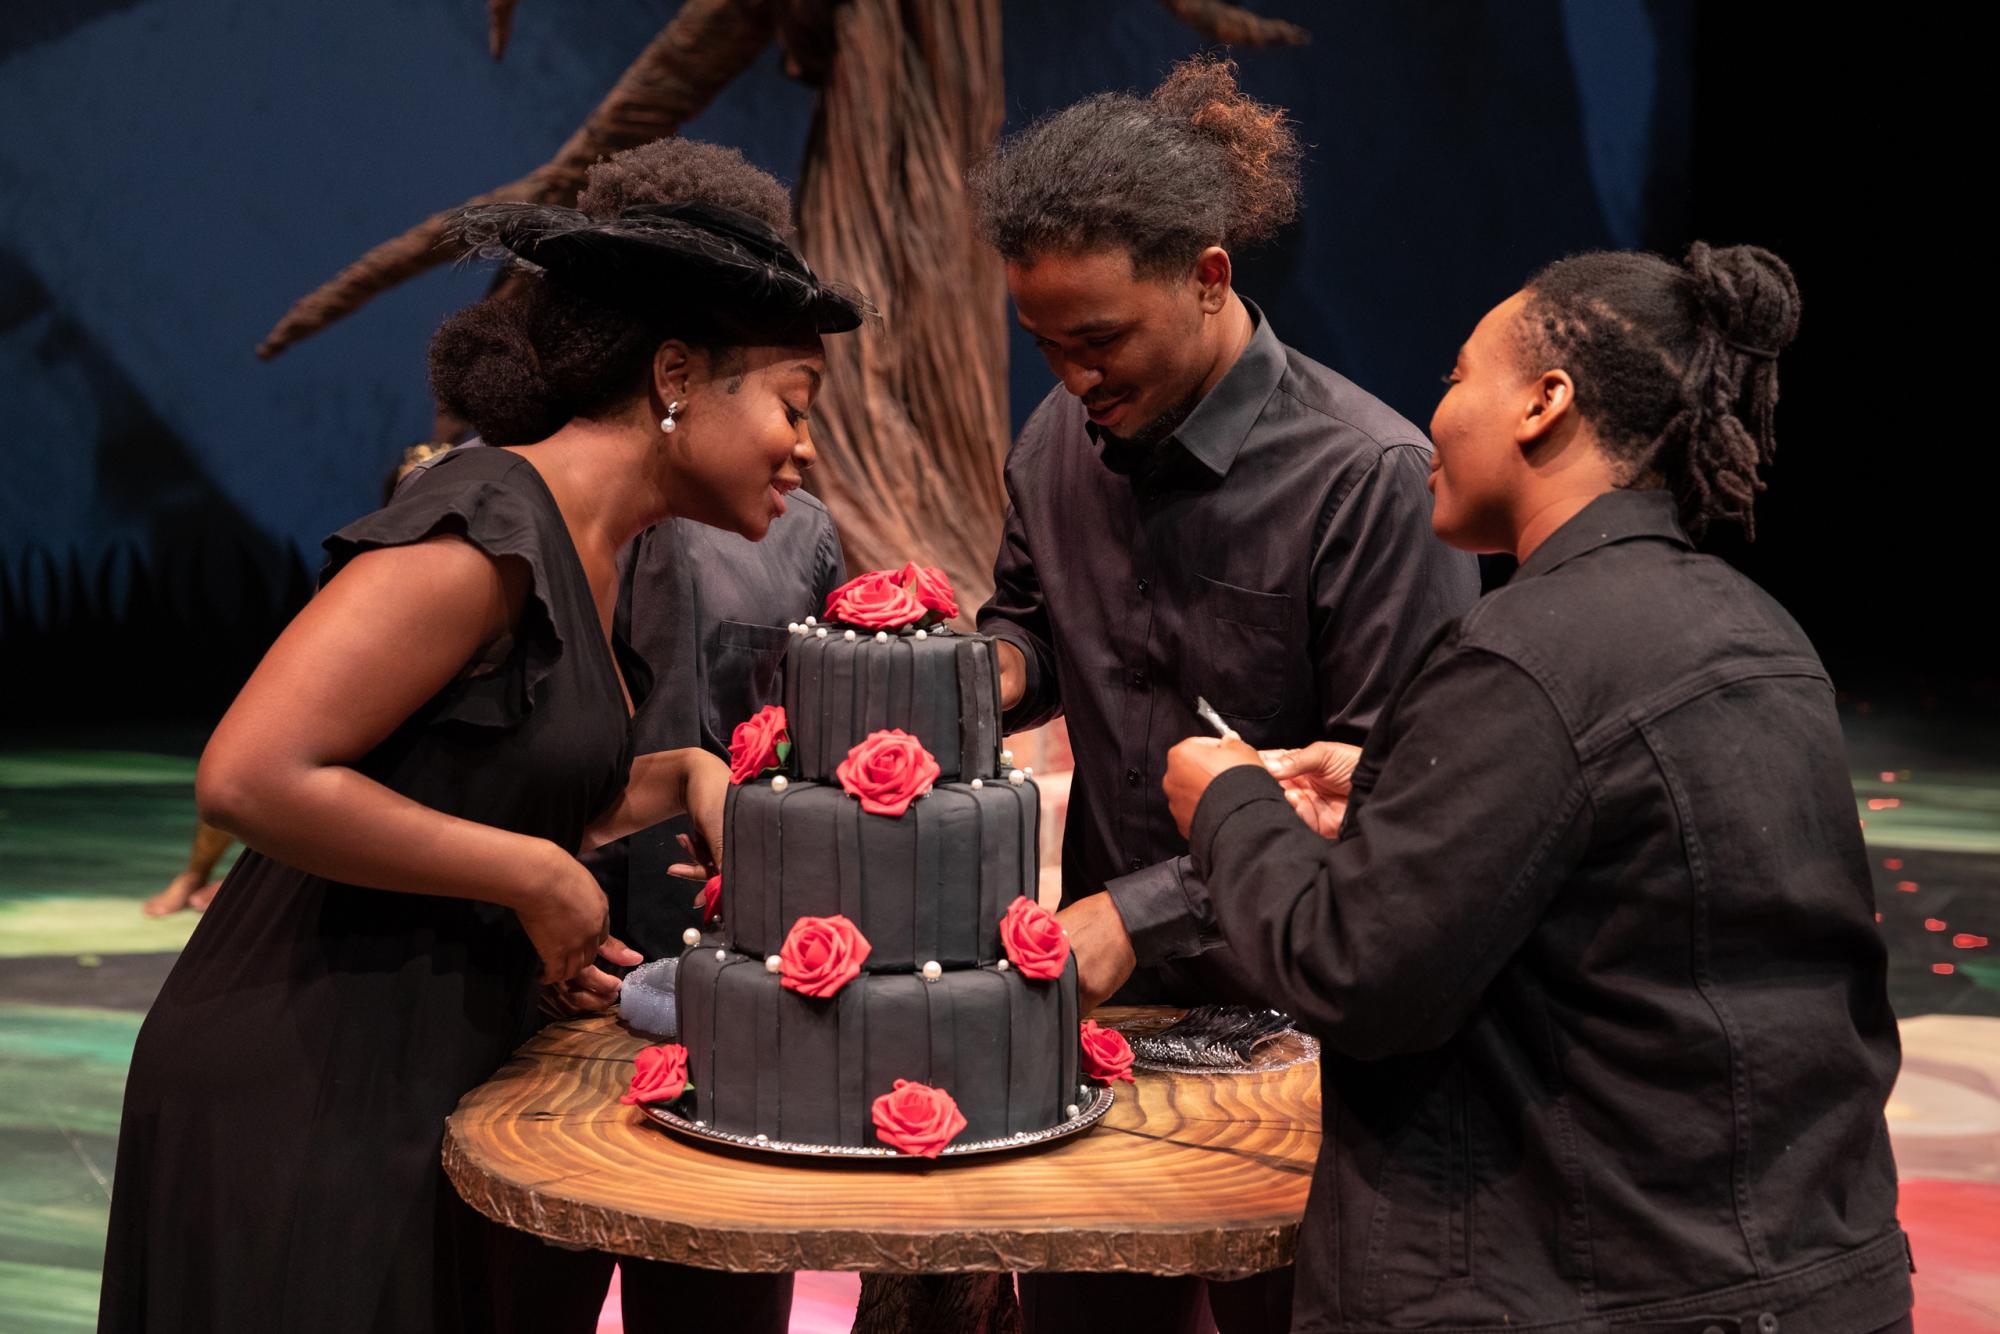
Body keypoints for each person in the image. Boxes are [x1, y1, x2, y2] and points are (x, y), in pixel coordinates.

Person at [97, 136, 865, 1334]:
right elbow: (251, 773)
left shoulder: (610, 552)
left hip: (416, 1069)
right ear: (675, 374)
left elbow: (496, 774)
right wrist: (537, 873)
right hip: (305, 1076)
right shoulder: (481, 531)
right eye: (791, 405)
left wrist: (687, 777)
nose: (805, 448)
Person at [1163, 244, 1912, 1333]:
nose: (1436, 415)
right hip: (1806, 1272)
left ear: (1542, 402)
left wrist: (1226, 801)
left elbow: (1353, 974)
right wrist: (1390, 795)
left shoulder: (1525, 655)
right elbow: (1646, 872)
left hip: (1606, 1292)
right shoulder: (1761, 632)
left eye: (1458, 375)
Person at [970, 57, 1478, 1334]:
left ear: (1207, 277)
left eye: (1097, 339)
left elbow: (1390, 790)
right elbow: (1024, 618)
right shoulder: (1055, 441)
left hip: (1306, 1027)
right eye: (1043, 344)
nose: (1073, 377)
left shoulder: (1370, 479)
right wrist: (976, 675)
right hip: (1108, 1006)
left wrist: (1134, 915)